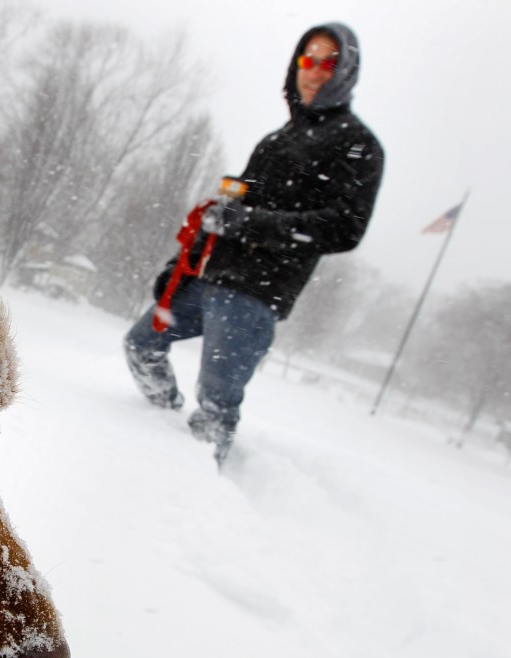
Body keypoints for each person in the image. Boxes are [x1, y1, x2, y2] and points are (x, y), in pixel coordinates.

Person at [124, 22, 384, 462]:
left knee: (215, 401)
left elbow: (345, 227)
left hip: (255, 293)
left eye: (329, 62)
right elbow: (232, 209)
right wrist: (182, 263)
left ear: (345, 72)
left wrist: (251, 223)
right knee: (142, 346)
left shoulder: (358, 145)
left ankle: (196, 488)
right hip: (208, 278)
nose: (316, 71)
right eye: (309, 59)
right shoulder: (276, 140)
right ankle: (161, 425)